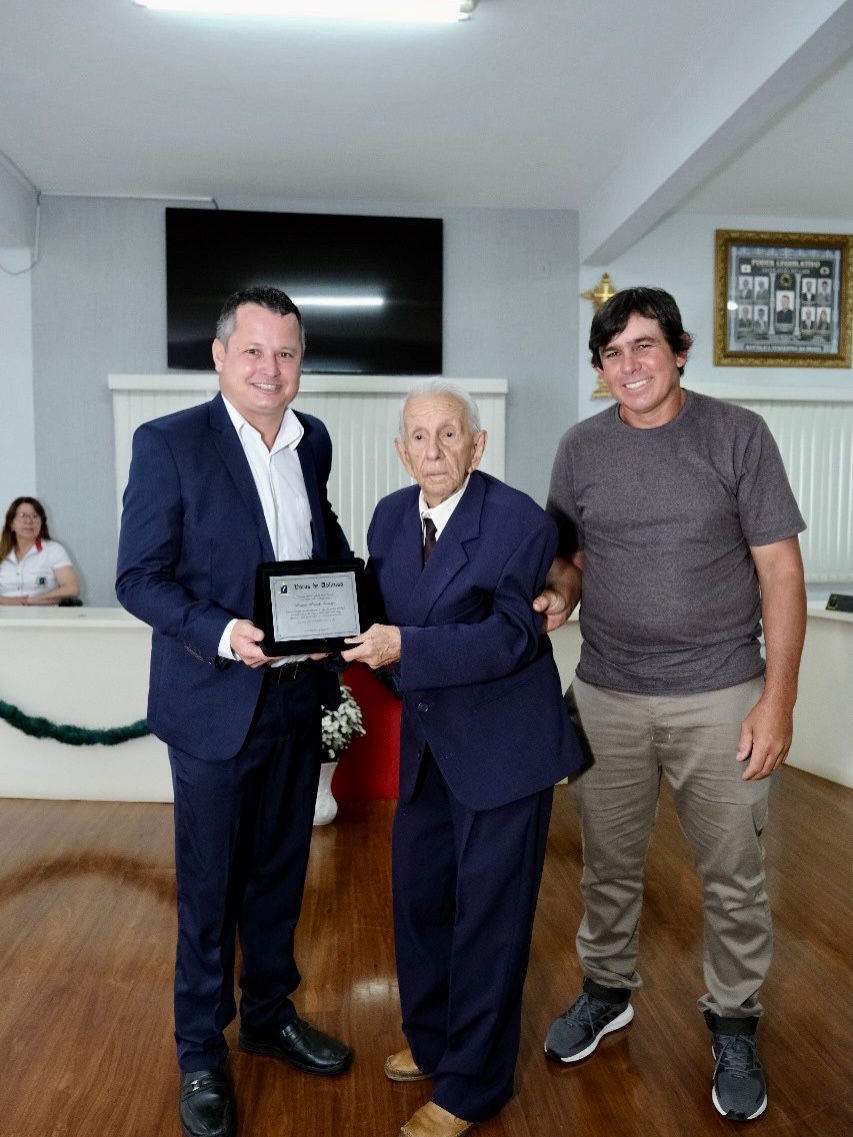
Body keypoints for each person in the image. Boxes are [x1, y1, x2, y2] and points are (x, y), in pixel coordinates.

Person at [534, 288, 806, 1123]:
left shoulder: (736, 435)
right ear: (599, 368)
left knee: (731, 875)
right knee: (607, 865)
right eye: (611, 354)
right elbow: (573, 558)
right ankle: (606, 990)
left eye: (644, 346)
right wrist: (557, 594)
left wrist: (776, 701)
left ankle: (733, 1019)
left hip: (719, 693)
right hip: (607, 691)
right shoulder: (580, 447)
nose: (629, 366)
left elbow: (780, 573)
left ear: (680, 349)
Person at [116, 286, 354, 1137]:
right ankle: (199, 1051)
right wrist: (221, 633)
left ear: (301, 363)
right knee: (210, 887)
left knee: (280, 875)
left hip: (295, 699)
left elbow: (319, 539)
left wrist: (345, 611)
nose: (269, 368)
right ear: (219, 356)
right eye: (252, 350)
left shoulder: (311, 439)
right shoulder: (169, 443)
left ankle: (267, 1016)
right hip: (214, 702)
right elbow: (138, 576)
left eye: (285, 353)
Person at [342, 381, 585, 1137]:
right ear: (400, 449)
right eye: (418, 436)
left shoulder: (518, 522)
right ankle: (434, 1042)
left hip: (503, 750)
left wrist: (403, 647)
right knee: (418, 903)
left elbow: (511, 636)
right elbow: (374, 612)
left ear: (477, 445)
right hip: (428, 747)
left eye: (449, 434)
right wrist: (327, 632)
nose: (433, 450)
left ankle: (474, 1086)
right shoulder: (388, 516)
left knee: (489, 923)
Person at [0, 496, 80, 605]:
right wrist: (9, 601)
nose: (29, 521)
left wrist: (36, 599)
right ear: (11, 524)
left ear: (41, 523)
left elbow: (72, 588)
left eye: (34, 516)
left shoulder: (54, 550)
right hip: (5, 613)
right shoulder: (2, 551)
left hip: (43, 612)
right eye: (22, 516)